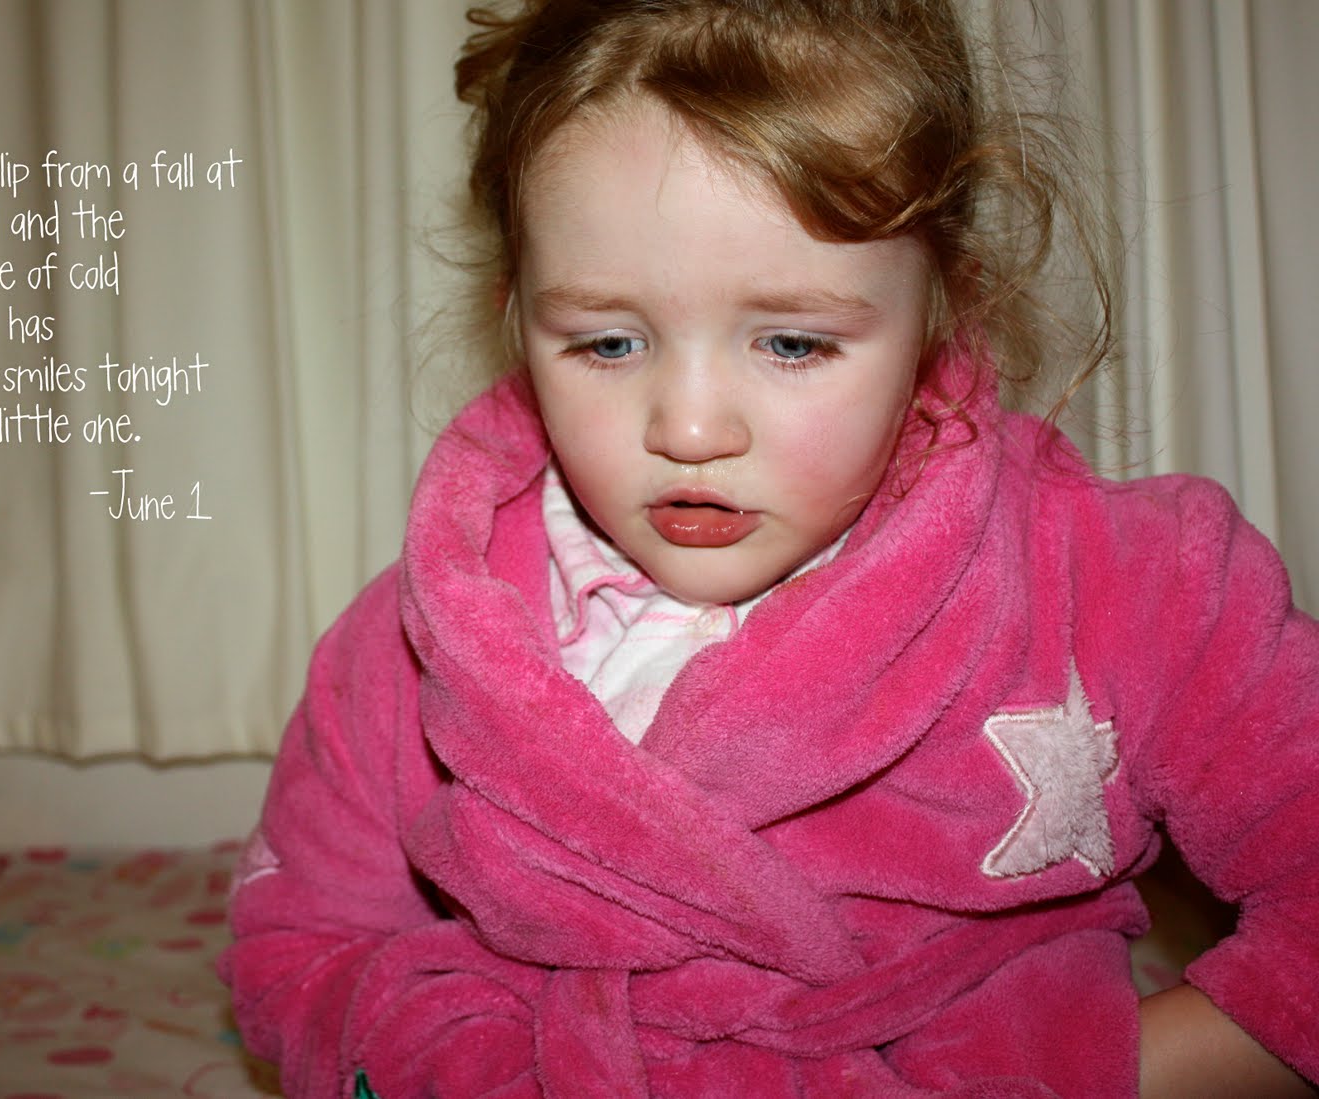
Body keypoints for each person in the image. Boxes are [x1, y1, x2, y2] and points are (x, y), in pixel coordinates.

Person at [219, 1, 1319, 1095]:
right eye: (608, 343)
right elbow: (300, 952)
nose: (691, 428)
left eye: (791, 342)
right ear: (518, 317)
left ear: (943, 307)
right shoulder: (421, 644)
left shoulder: (1128, 586)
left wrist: (1083, 1074)